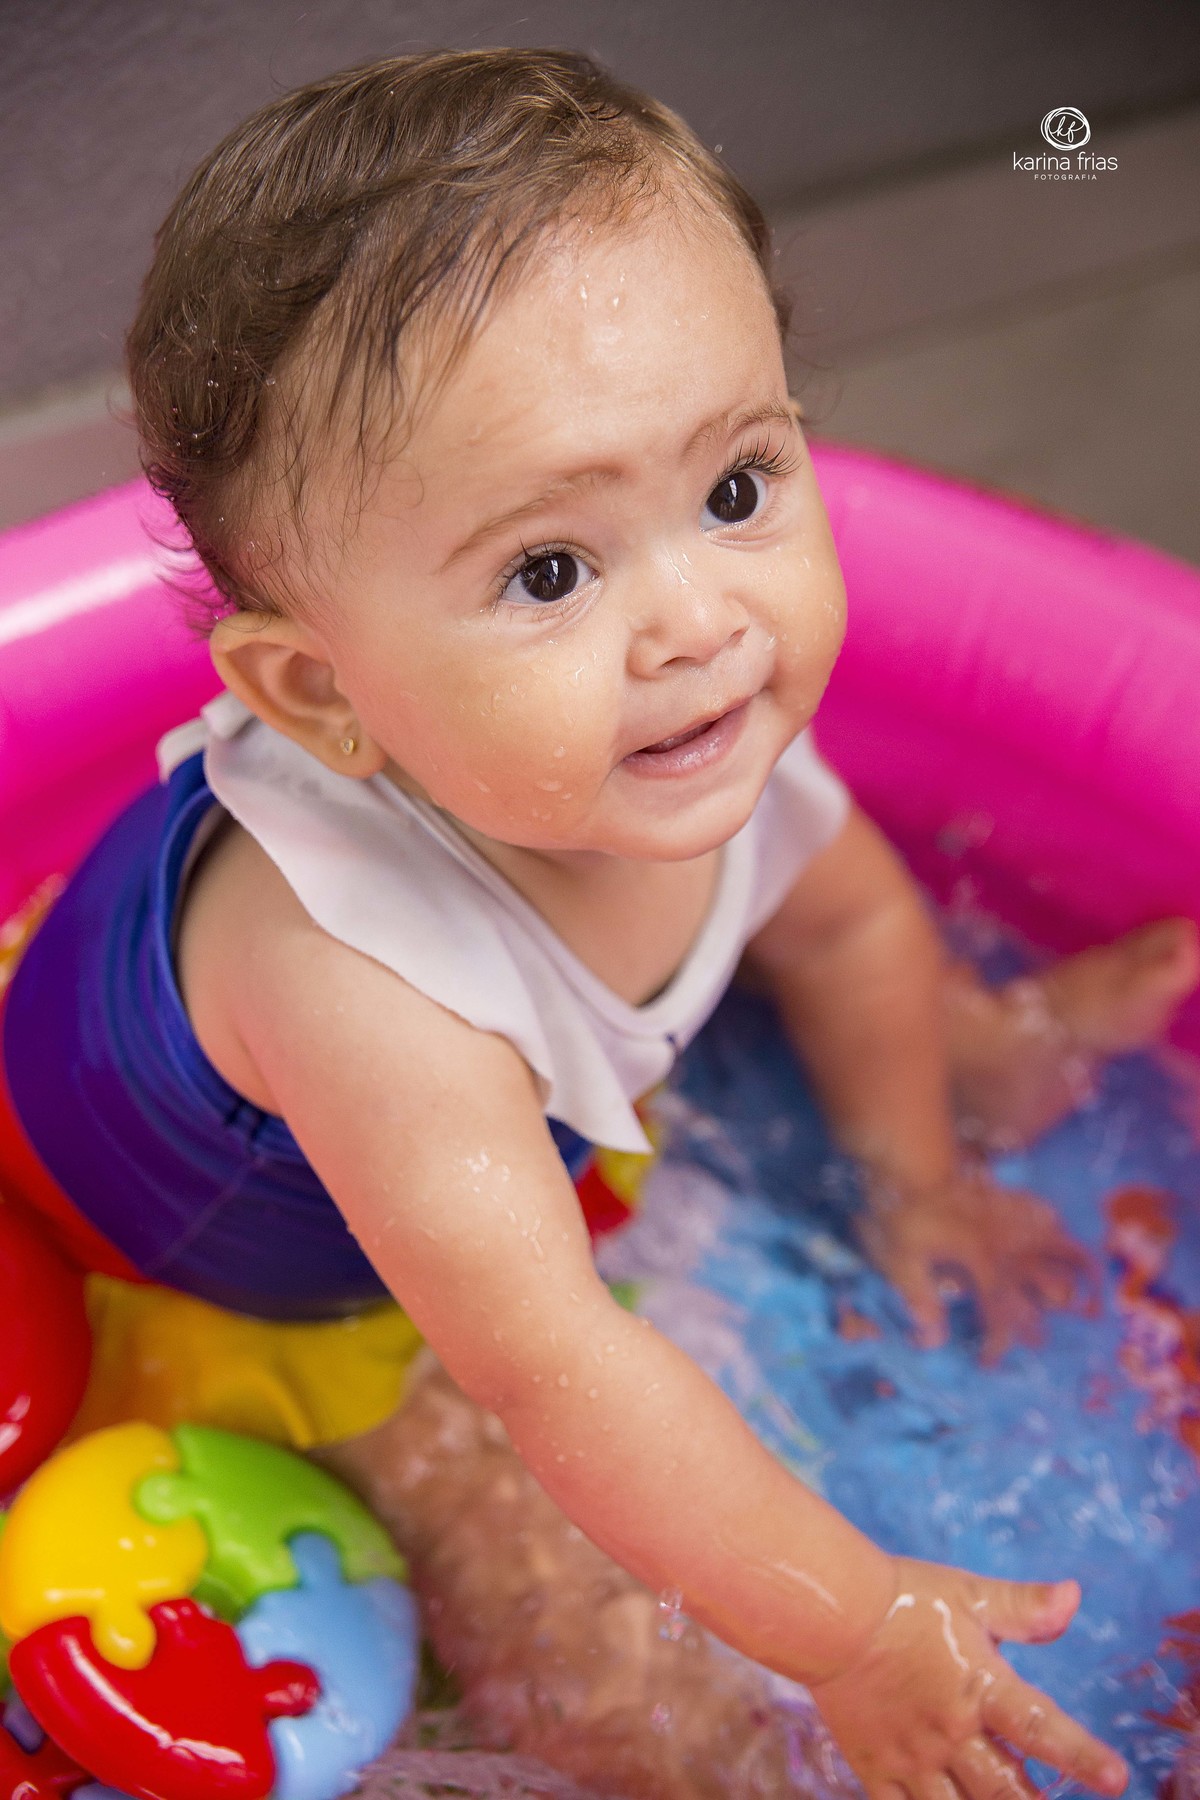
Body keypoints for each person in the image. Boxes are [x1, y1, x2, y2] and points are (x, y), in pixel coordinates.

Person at [2, 47, 1196, 1800]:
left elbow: (853, 926)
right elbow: (564, 1375)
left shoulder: (664, 740)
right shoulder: (369, 990)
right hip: (254, 1281)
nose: (701, 618)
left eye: (736, 489)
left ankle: (991, 1066)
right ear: (325, 695)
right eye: (550, 572)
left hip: (465, 1166)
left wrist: (915, 1166)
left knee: (895, 991)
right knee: (636, 1695)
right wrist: (850, 1624)